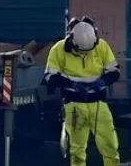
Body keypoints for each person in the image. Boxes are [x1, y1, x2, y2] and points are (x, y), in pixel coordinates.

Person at [43, 16, 121, 166]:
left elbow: (115, 72)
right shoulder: (58, 49)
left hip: (98, 103)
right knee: (77, 150)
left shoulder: (102, 46)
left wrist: (103, 82)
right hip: (74, 105)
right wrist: (72, 84)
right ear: (71, 40)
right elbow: (49, 77)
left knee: (110, 146)